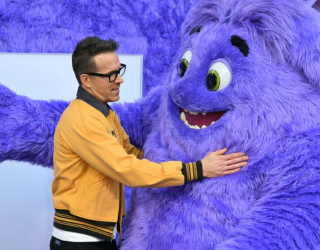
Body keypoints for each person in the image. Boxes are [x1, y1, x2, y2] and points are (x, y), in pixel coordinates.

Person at [50, 36, 248, 250]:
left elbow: (132, 154)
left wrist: (172, 152)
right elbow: (127, 169)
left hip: (97, 238)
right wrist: (197, 169)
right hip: (80, 242)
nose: (119, 79)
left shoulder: (104, 114)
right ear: (86, 80)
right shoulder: (83, 120)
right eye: (110, 75)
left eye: (119, 70)